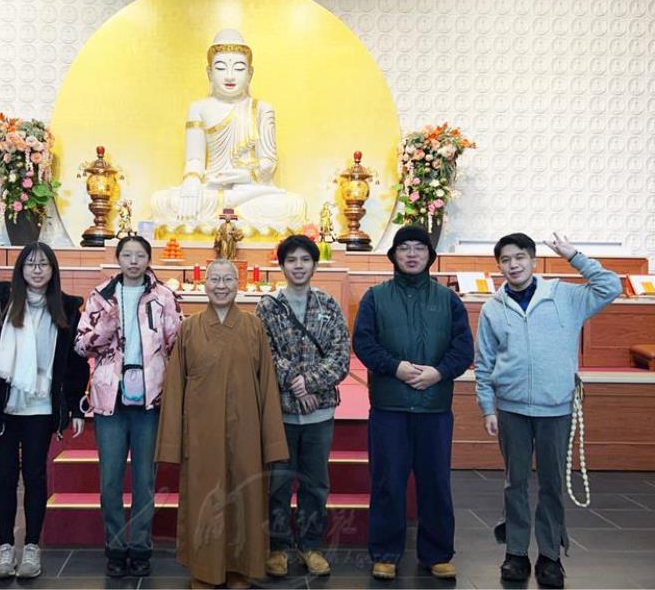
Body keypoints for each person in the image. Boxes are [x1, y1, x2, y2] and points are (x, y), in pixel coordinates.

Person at [475, 232, 621, 588]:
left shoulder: (565, 296)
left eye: (519, 257)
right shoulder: (493, 308)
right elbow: (484, 362)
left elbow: (610, 286)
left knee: (552, 484)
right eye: (506, 260)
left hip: (556, 408)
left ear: (533, 260)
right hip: (511, 409)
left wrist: (574, 255)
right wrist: (487, 407)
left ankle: (551, 555)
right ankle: (515, 553)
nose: (513, 265)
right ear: (499, 266)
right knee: (515, 483)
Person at [155, 259, 289, 589]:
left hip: (246, 428)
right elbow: (175, 386)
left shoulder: (253, 326)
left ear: (238, 284)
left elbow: (267, 384)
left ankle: (239, 568)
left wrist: (271, 440)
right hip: (201, 432)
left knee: (245, 495)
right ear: (205, 284)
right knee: (204, 498)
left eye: (228, 279)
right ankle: (204, 571)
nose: (221, 285)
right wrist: (172, 441)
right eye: (214, 279)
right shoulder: (189, 328)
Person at [0, 242, 89, 580]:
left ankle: (31, 547)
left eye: (43, 264)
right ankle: (5, 549)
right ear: (20, 269)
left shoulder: (67, 310)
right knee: (4, 476)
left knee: (34, 476)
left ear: (53, 270)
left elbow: (75, 365)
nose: (37, 270)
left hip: (41, 405)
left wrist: (76, 405)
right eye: (30, 264)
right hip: (2, 404)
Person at [352, 226, 474, 581]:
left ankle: (437, 553)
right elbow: (364, 343)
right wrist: (396, 368)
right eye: (404, 248)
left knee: (435, 482)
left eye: (419, 248)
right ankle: (385, 553)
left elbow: (463, 349)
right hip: (389, 406)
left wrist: (439, 373)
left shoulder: (448, 300)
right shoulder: (376, 297)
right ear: (393, 255)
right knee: (388, 482)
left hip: (434, 407)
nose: (411, 254)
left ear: (429, 256)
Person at [74, 234, 183, 578]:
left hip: (150, 399)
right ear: (118, 259)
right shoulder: (100, 296)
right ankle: (115, 546)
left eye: (140, 255)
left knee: (144, 479)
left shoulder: (164, 296)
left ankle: (140, 547)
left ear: (149, 259)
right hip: (111, 399)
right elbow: (81, 346)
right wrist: (106, 326)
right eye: (127, 255)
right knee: (109, 478)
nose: (133, 261)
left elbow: (177, 343)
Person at [255, 234, 350, 577]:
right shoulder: (268, 306)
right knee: (278, 483)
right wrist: (296, 383)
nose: (298, 266)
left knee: (315, 483)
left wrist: (309, 383)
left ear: (314, 264)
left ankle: (311, 546)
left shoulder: (328, 305)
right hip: (280, 411)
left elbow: (341, 355)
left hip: (319, 412)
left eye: (305, 259)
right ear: (282, 266)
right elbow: (264, 353)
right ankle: (278, 547)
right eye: (291, 260)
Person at [150, 28, 306, 235]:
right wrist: (191, 182)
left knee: (293, 206)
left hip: (250, 190)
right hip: (211, 189)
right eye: (221, 68)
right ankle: (222, 211)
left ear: (250, 73)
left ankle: (218, 215)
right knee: (162, 202)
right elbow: (194, 159)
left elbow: (268, 162)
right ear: (209, 73)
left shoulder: (262, 109)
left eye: (239, 68)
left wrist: (244, 176)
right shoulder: (198, 108)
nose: (230, 75)